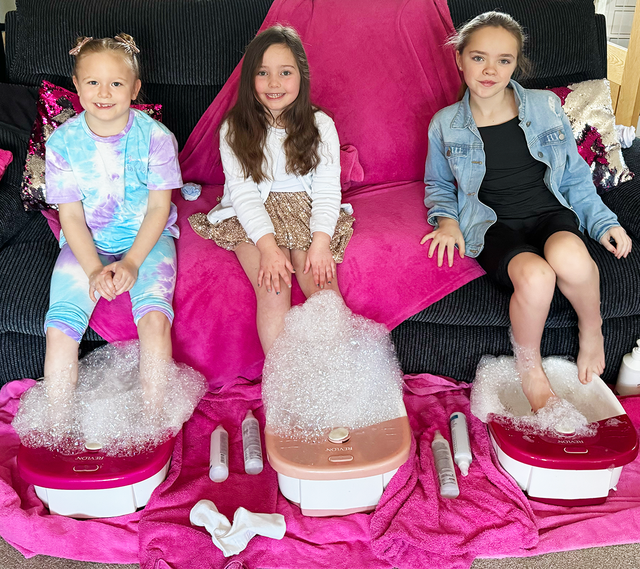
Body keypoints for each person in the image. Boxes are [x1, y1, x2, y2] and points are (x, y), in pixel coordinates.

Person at [420, 12, 632, 412]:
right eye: (479, 58)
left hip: (548, 212)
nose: (490, 70)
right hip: (492, 225)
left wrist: (604, 222)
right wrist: (447, 221)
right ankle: (530, 368)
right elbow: (439, 185)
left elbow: (573, 175)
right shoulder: (445, 124)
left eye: (504, 60)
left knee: (571, 258)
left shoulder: (545, 105)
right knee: (536, 277)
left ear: (516, 63)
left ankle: (592, 330)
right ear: (460, 59)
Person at [189, 25, 354, 355]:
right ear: (249, 78)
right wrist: (267, 248)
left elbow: (326, 189)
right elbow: (244, 193)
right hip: (253, 211)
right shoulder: (234, 128)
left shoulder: (321, 125)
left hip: (306, 208)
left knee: (323, 288)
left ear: (301, 76)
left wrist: (321, 242)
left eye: (285, 72)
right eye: (263, 73)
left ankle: (337, 373)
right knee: (273, 288)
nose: (274, 83)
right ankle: (281, 379)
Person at [44, 34, 183, 408]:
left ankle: (154, 418)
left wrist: (133, 263)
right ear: (76, 85)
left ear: (135, 89)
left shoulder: (156, 138)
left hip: (147, 237)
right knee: (59, 327)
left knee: (155, 319)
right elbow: (70, 216)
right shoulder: (61, 143)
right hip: (89, 238)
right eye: (93, 82)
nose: (104, 93)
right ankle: (55, 422)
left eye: (116, 84)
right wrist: (93, 270)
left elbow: (158, 209)